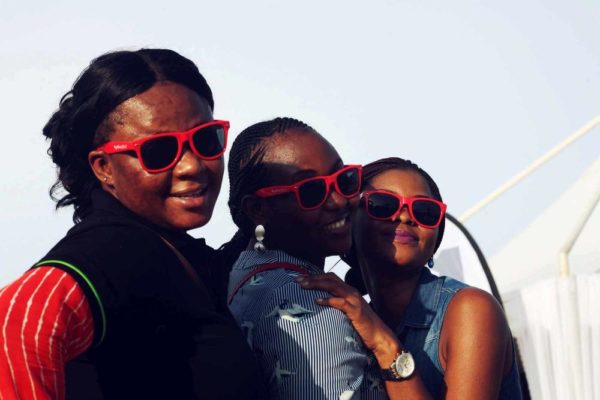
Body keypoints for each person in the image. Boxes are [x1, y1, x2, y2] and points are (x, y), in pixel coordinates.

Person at [0, 48, 265, 399]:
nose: (192, 166)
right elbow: (20, 315)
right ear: (103, 168)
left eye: (206, 139)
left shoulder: (170, 249)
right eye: (158, 152)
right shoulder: (113, 249)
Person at [298, 157, 523, 399]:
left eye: (424, 211)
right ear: (349, 220)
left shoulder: (471, 309)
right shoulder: (349, 321)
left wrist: (384, 345)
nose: (405, 217)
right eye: (383, 205)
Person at [221, 117, 388, 399]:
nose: (338, 201)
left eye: (344, 180)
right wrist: (390, 350)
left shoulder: (242, 273)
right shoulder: (312, 303)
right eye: (311, 192)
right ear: (258, 209)